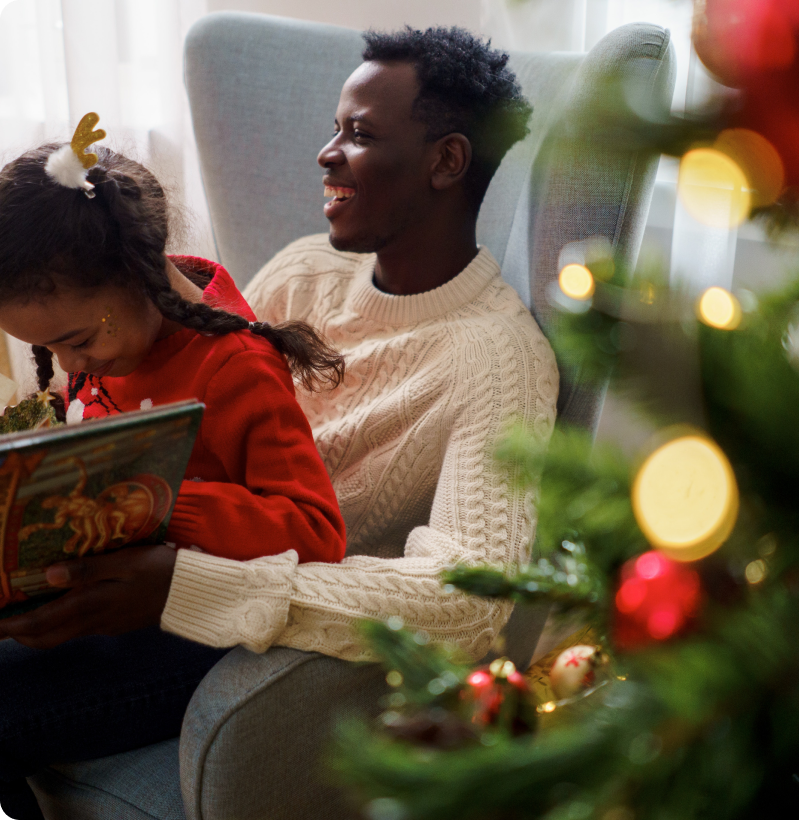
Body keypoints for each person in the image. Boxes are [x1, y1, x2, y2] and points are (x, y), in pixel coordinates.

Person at [1, 25, 558, 820]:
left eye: (358, 135)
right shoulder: (305, 267)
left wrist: (186, 582)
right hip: (164, 568)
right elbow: (195, 374)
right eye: (334, 128)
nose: (326, 153)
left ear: (446, 162)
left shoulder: (497, 360)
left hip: (243, 634)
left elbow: (469, 601)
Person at [0, 130, 346, 819]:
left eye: (77, 341)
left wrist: (158, 504)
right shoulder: (110, 351)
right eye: (46, 349)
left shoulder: (235, 366)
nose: (70, 369)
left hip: (187, 637)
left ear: (138, 273)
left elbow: (318, 534)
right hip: (93, 608)